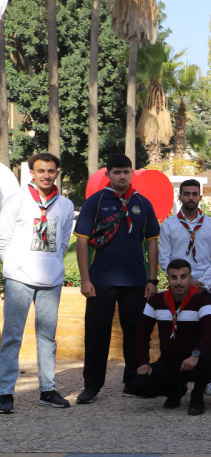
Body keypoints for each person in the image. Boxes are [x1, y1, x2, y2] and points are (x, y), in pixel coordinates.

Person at [73, 153, 160, 404]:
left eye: (126, 171)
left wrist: (152, 280)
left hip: (136, 282)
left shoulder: (143, 203)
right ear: (108, 174)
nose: (122, 176)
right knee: (96, 335)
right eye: (117, 172)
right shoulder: (96, 201)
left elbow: (152, 243)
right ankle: (92, 386)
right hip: (101, 280)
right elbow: (81, 241)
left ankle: (133, 382)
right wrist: (85, 279)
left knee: (136, 334)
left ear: (132, 172)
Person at [0, 153, 75, 413]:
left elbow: (63, 242)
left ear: (57, 173)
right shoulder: (16, 200)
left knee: (47, 337)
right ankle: (5, 392)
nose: (46, 175)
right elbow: (3, 239)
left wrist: (53, 264)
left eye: (51, 171)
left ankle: (47, 390)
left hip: (51, 281)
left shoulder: (65, 205)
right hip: (19, 279)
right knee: (12, 336)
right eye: (41, 170)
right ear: (31, 173)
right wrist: (14, 266)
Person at [131, 259, 211, 416]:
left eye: (183, 277)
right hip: (169, 361)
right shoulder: (155, 301)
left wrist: (195, 355)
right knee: (137, 385)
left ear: (190, 279)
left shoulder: (202, 302)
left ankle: (197, 398)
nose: (178, 282)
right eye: (173, 277)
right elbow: (142, 334)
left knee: (207, 360)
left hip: (196, 360)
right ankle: (175, 391)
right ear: (168, 279)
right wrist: (143, 362)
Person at [158, 179, 211, 295]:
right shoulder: (168, 225)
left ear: (200, 197)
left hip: (204, 287)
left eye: (194, 194)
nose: (191, 198)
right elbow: (164, 259)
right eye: (186, 194)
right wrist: (185, 281)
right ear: (180, 197)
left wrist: (203, 282)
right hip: (178, 286)